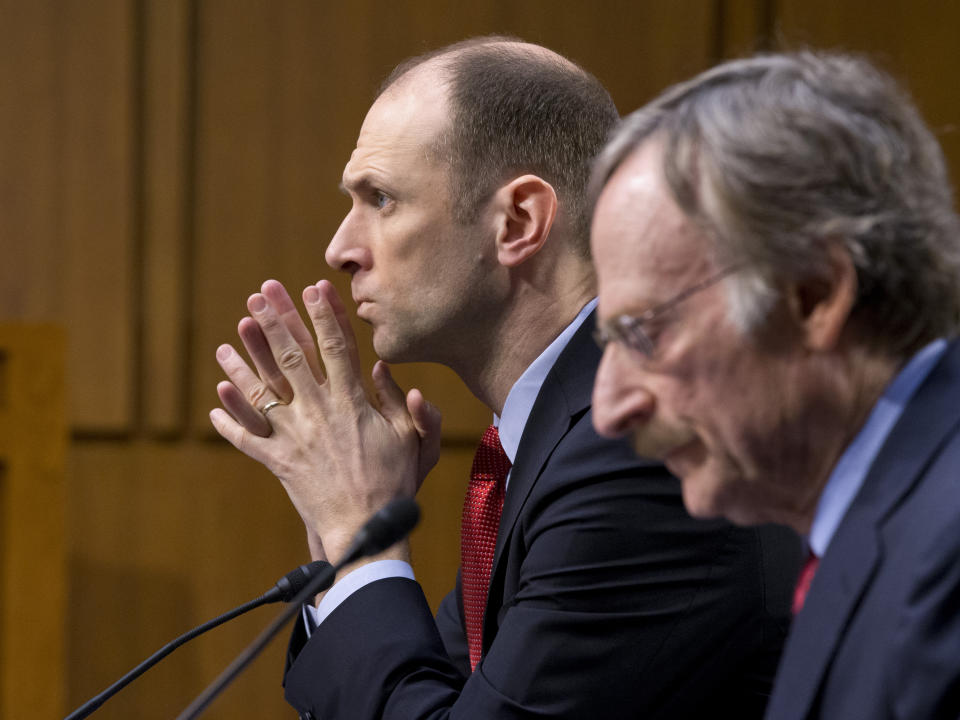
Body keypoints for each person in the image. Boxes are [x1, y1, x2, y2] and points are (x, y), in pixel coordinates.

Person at [211, 37, 801, 719]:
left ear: (518, 221)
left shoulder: (639, 449)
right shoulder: (549, 438)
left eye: (381, 198)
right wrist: (343, 536)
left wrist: (355, 525)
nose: (341, 248)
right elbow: (448, 700)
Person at [589, 50, 960, 720]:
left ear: (813, 297)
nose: (608, 410)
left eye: (642, 334)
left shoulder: (946, 556)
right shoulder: (875, 519)